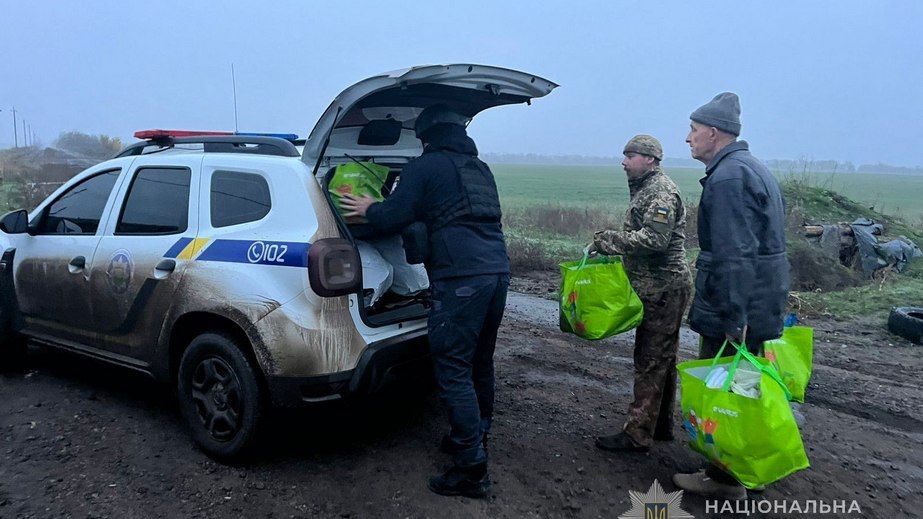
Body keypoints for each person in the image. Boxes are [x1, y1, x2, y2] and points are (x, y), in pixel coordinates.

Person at [340, 104, 508, 499]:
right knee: (480, 361)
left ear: (426, 135)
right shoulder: (478, 170)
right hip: (497, 273)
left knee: (452, 369)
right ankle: (477, 435)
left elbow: (392, 217)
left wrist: (370, 208)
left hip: (460, 279)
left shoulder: (425, 166)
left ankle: (471, 469)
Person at [673, 92, 789, 500]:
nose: (687, 138)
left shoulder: (728, 179)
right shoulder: (750, 168)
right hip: (758, 301)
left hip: (737, 307)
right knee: (744, 386)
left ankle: (722, 478)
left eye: (692, 130)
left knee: (725, 391)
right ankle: (744, 467)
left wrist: (733, 317)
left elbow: (734, 254)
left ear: (713, 132)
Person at [589, 135, 692, 452]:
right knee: (662, 358)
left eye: (629, 155)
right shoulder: (647, 188)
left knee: (650, 360)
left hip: (663, 287)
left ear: (650, 159)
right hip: (660, 287)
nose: (623, 162)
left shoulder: (659, 192)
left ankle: (637, 434)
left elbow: (653, 241)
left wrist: (608, 241)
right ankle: (659, 426)